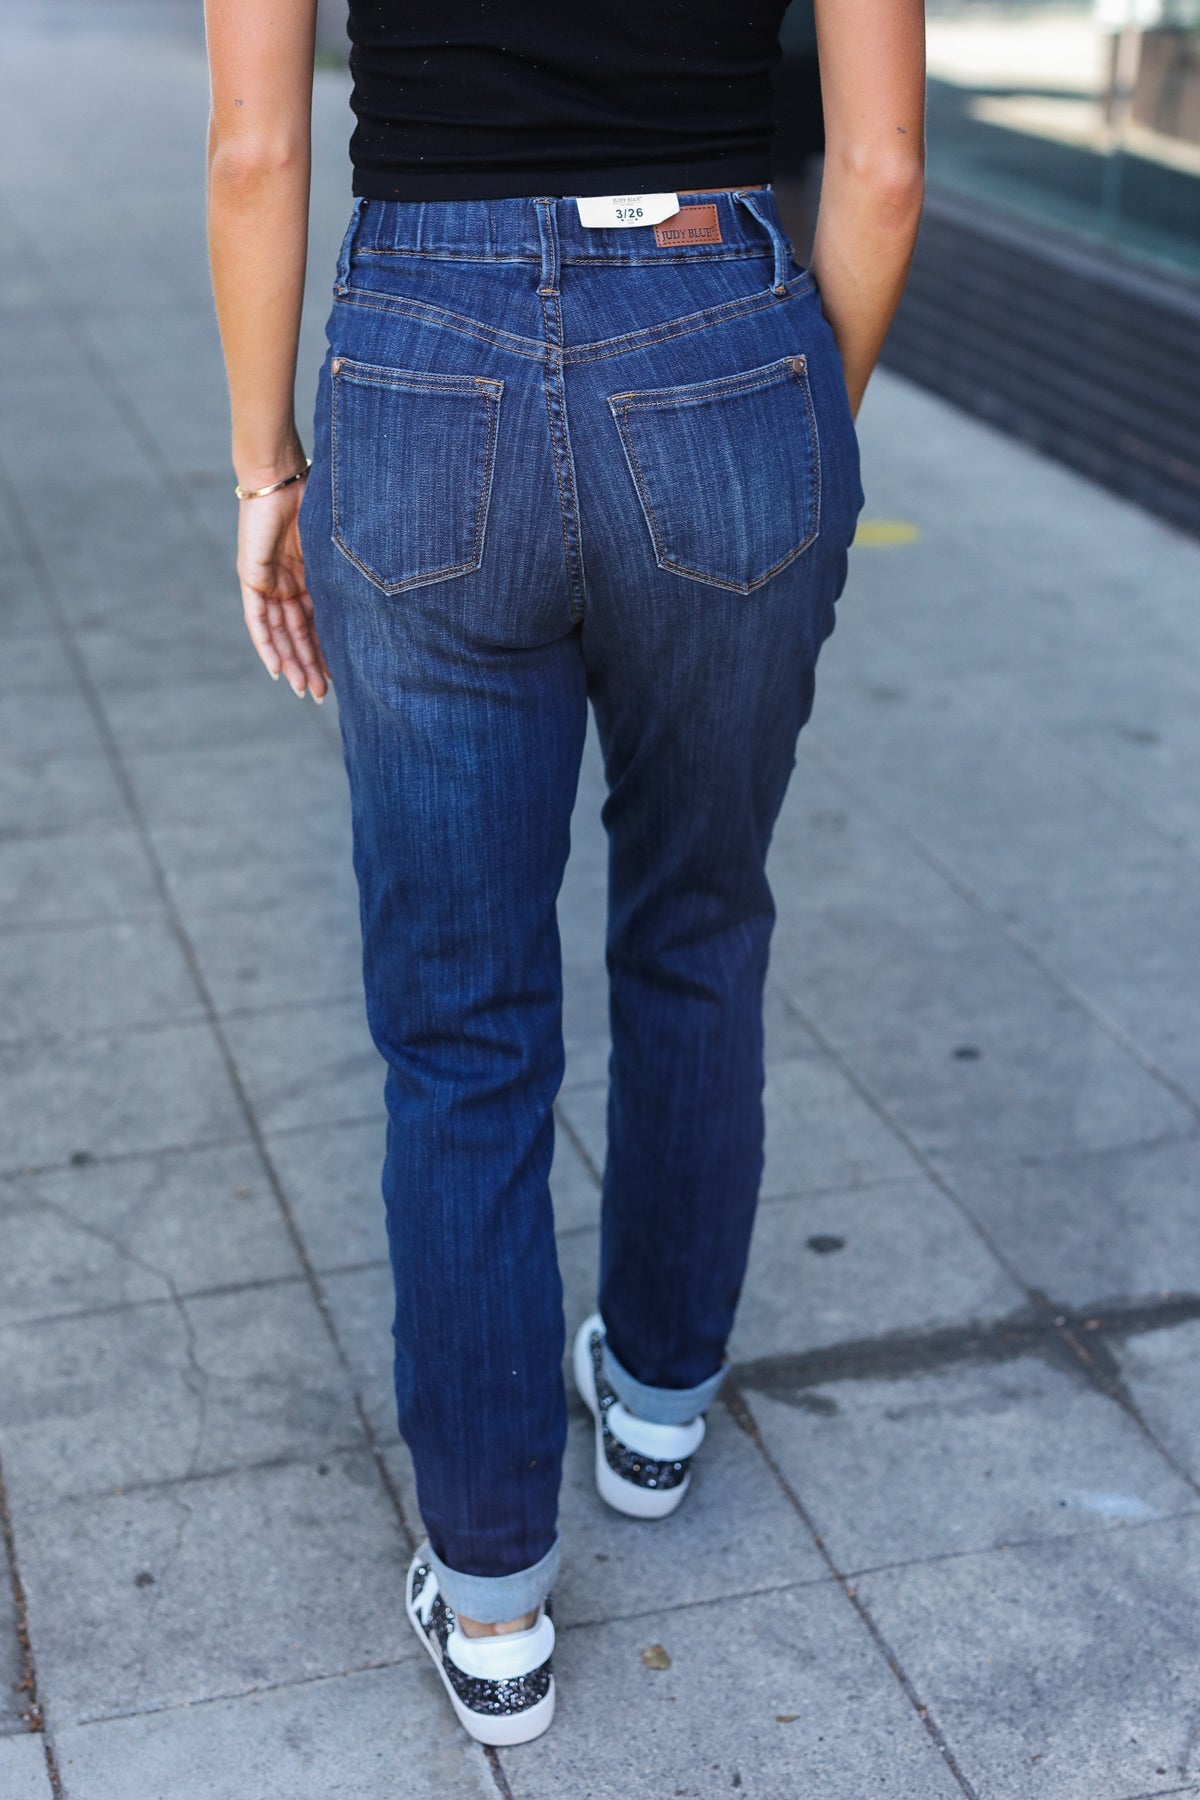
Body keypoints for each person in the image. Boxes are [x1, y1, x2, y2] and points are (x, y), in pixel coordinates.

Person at [204, 0, 925, 1748]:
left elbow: (255, 146)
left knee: (460, 1022)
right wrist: (779, 437)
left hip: (420, 360)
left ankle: (493, 1600)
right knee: (700, 919)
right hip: (718, 318)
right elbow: (885, 167)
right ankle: (659, 1405)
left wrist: (261, 466)